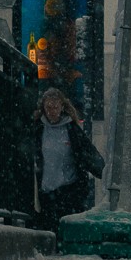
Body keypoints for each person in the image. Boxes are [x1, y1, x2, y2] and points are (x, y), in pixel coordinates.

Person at [33, 86, 104, 234]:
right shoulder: (38, 129)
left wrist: (103, 170)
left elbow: (87, 151)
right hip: (46, 193)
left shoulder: (72, 130)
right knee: (50, 231)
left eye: (55, 107)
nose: (52, 111)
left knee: (66, 231)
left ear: (62, 107)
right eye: (48, 107)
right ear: (43, 108)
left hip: (69, 191)